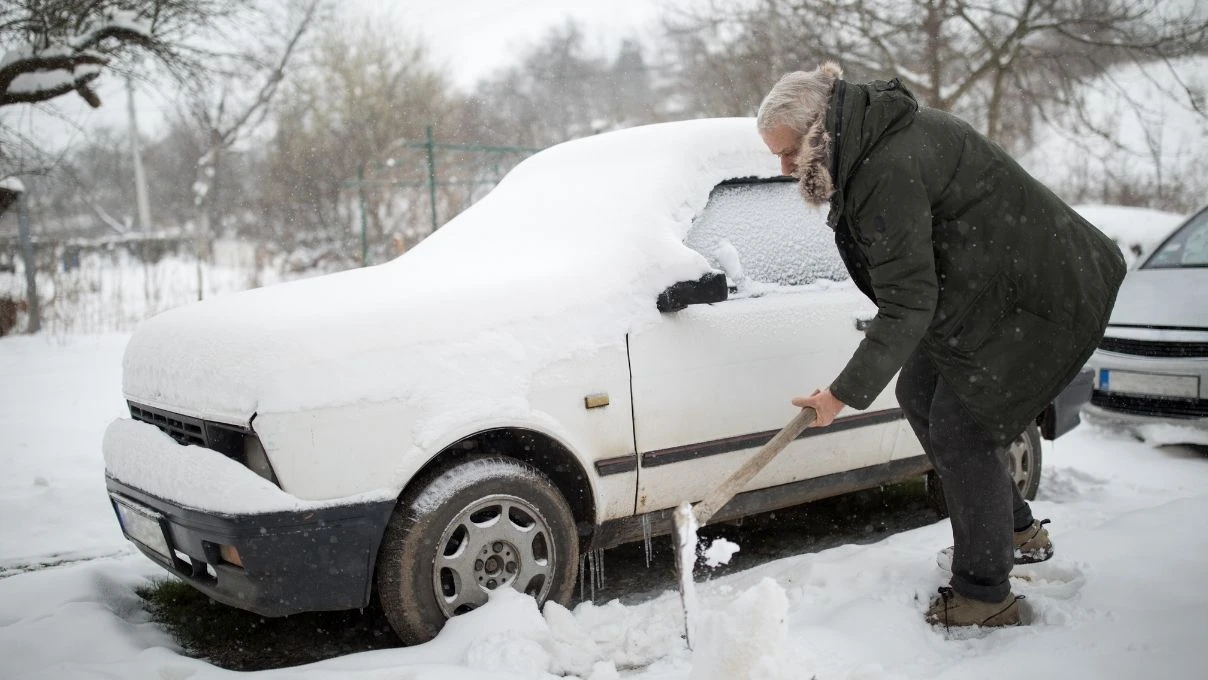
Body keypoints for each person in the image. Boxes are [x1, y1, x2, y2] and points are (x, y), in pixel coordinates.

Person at [757, 63, 1126, 628]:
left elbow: (908, 300)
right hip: (987, 295)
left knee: (963, 425)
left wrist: (838, 395)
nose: (784, 169)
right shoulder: (872, 144)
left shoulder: (885, 165)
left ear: (816, 130)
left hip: (1039, 298)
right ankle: (1012, 530)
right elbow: (915, 281)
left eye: (786, 153)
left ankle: (984, 595)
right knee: (919, 390)